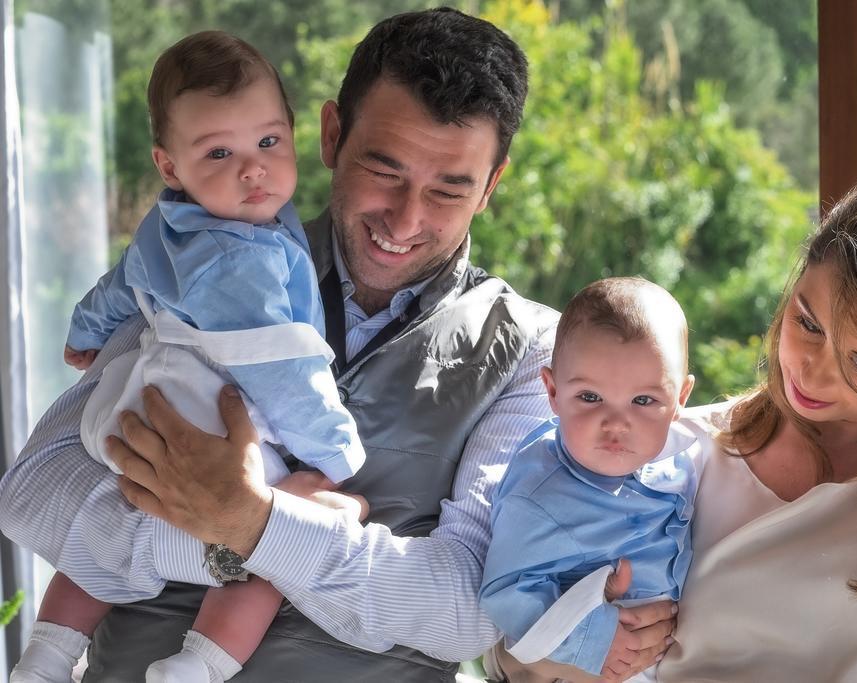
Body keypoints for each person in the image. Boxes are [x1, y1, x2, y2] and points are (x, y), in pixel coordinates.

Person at [0, 8, 676, 683]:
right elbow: (33, 489)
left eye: (449, 188)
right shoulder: (208, 260)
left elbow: (468, 605)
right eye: (385, 171)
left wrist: (256, 524)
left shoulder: (540, 355)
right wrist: (218, 547)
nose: (406, 219)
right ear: (330, 135)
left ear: (492, 186)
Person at [490, 171, 857, 682]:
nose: (811, 368)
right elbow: (511, 631)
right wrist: (573, 649)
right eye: (807, 323)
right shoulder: (669, 449)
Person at [11, 30, 370, 683]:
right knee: (278, 545)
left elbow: (118, 285)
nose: (252, 169)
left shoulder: (167, 220)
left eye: (267, 142)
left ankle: (48, 653)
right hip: (208, 429)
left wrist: (85, 332)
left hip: (133, 415)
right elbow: (284, 371)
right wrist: (334, 455)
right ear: (169, 164)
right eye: (218, 152)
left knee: (97, 547)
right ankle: (198, 664)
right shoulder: (247, 261)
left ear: (291, 134)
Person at [479, 277, 696, 682]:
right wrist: (594, 641)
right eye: (590, 397)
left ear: (680, 401)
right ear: (552, 391)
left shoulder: (681, 459)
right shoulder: (541, 494)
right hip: (570, 665)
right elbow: (505, 593)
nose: (616, 423)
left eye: (644, 401)